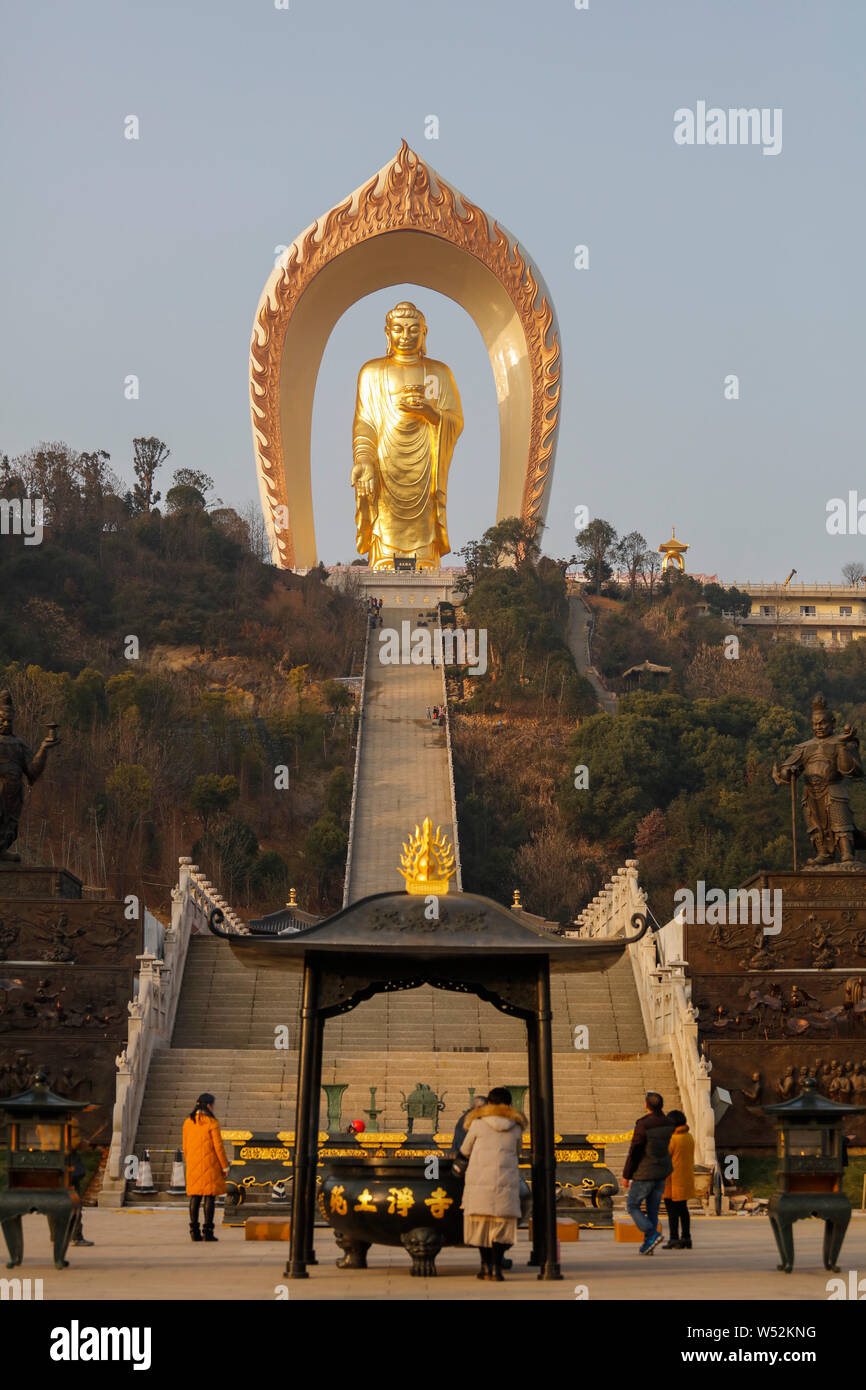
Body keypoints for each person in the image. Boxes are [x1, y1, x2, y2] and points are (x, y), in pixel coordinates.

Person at [457, 1086, 526, 1281]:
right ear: (509, 1104)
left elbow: (465, 1149)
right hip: (505, 1182)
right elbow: (518, 1151)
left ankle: (485, 1267)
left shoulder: (478, 1124)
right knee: (500, 1227)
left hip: (480, 1181)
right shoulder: (516, 1126)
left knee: (480, 1225)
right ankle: (497, 1268)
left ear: (488, 1103)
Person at [622, 1091, 674, 1255]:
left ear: (646, 1105)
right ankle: (648, 1244)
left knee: (632, 1205)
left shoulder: (644, 1125)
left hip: (644, 1172)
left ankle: (651, 1234)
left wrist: (627, 1174)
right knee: (652, 1208)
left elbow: (635, 1150)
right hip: (661, 1171)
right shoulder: (668, 1123)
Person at [182, 1092, 229, 1243]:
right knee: (209, 1197)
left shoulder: (188, 1122)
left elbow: (185, 1146)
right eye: (213, 1105)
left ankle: (194, 1231)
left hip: (193, 1164)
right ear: (208, 1105)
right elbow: (218, 1147)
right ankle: (208, 1232)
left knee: (195, 1197)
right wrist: (225, 1167)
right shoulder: (212, 1123)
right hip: (210, 1164)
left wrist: (191, 1161)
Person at [661, 1109, 695, 1249]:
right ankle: (686, 1237)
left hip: (672, 1181)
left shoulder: (672, 1140)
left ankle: (674, 1238)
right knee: (683, 1210)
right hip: (685, 1179)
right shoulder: (689, 1137)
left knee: (672, 1212)